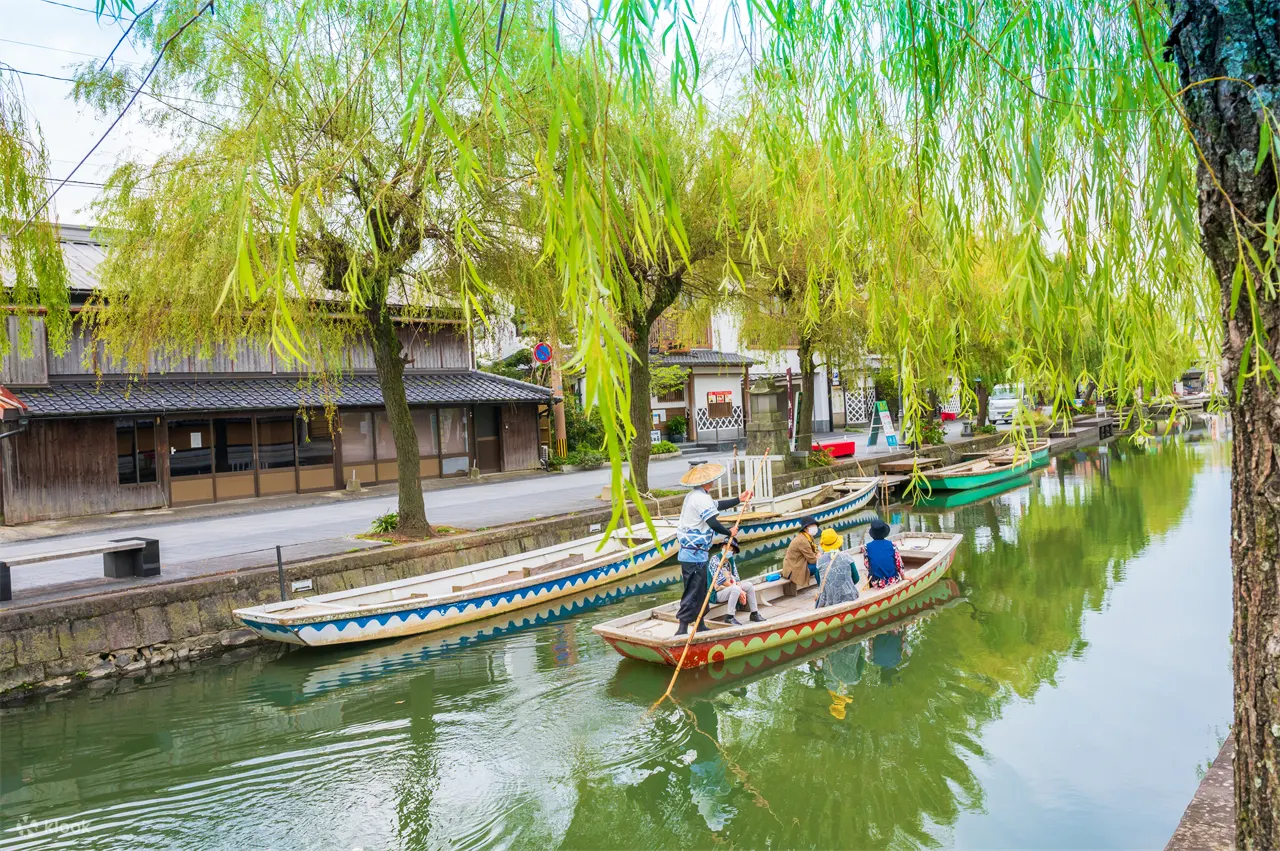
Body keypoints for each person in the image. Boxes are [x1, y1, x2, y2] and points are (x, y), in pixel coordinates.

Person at [674, 462, 753, 636]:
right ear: (707, 481)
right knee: (693, 591)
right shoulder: (700, 498)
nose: (713, 481)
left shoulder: (698, 495)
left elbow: (717, 505)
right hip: (693, 554)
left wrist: (739, 500)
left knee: (701, 590)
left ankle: (700, 623)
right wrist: (729, 532)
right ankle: (682, 628)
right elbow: (712, 522)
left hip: (697, 554)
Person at [709, 541, 766, 625]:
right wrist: (740, 591)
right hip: (716, 593)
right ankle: (729, 617)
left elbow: (736, 577)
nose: (727, 550)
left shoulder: (731, 559)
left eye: (730, 549)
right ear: (722, 547)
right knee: (736, 589)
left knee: (749, 585)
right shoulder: (715, 559)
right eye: (725, 547)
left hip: (730, 589)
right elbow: (721, 581)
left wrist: (740, 589)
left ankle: (754, 613)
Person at [815, 528, 861, 608]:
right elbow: (856, 578)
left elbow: (820, 582)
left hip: (829, 601)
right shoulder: (846, 556)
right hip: (850, 596)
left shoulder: (819, 561)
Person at [781, 516, 821, 589]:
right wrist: (819, 557)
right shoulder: (802, 541)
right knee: (820, 566)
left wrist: (818, 554)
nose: (814, 527)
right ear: (805, 529)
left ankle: (822, 587)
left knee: (820, 563)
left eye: (815, 525)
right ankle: (822, 589)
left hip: (801, 564)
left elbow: (815, 550)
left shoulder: (808, 537)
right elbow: (812, 560)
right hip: (793, 570)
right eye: (811, 525)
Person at [865, 517, 904, 588]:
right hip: (892, 580)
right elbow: (899, 564)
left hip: (876, 582)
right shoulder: (892, 545)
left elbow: (867, 565)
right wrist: (903, 577)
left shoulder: (867, 547)